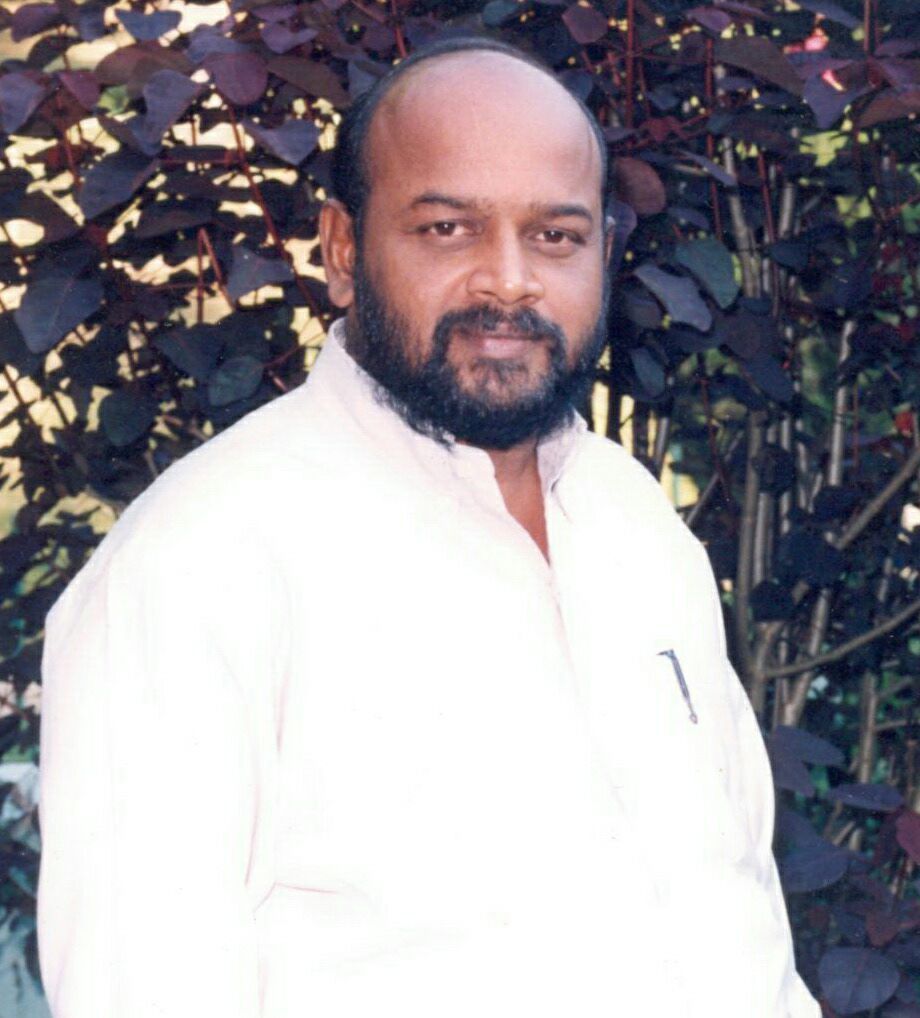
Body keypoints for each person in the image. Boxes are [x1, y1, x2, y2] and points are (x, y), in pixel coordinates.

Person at [37, 36, 819, 1018]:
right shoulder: (201, 564)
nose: (508, 282)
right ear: (342, 250)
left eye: (556, 236)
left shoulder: (635, 524)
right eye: (448, 229)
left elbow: (738, 916)